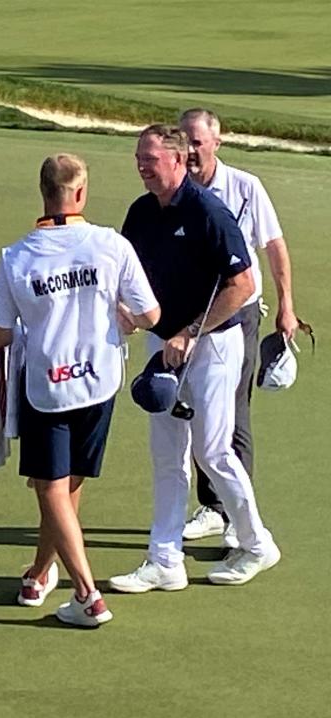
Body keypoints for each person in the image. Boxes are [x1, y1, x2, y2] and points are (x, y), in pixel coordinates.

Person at [0, 153, 159, 627]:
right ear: (80, 193)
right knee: (65, 485)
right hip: (99, 381)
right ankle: (41, 572)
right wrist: (122, 318)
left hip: (47, 385)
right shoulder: (111, 244)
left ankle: (87, 593)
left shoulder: (16, 256)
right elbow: (150, 315)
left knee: (51, 487)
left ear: (43, 192)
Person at [109, 125, 281, 593]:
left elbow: (242, 286)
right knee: (167, 456)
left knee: (212, 451)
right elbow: (131, 274)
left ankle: (257, 543)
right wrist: (128, 312)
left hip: (215, 345)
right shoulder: (142, 213)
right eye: (138, 158)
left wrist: (190, 331)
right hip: (163, 345)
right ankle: (164, 559)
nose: (142, 166)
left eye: (150, 158)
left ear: (178, 161)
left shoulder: (209, 211)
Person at [177, 108, 297, 546]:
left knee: (232, 412)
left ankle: (237, 517)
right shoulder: (177, 190)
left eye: (197, 141)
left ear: (216, 143)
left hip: (239, 312)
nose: (190, 150)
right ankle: (212, 505)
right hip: (190, 316)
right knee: (189, 409)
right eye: (184, 141)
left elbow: (274, 247)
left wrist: (287, 307)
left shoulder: (245, 188)